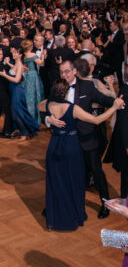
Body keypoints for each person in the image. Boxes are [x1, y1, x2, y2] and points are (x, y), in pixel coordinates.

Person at [38, 79, 124, 231]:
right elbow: (97, 120)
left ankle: (55, 215)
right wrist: (114, 108)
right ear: (66, 92)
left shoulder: (49, 104)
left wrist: (48, 119)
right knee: (73, 182)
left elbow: (39, 105)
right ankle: (71, 216)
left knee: (56, 182)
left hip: (54, 146)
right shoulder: (73, 109)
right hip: (71, 147)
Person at [46, 60, 115, 219]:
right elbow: (47, 105)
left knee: (97, 172)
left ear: (75, 71)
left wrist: (117, 103)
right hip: (67, 141)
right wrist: (48, 119)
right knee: (64, 173)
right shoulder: (57, 85)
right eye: (61, 72)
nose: (64, 75)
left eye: (67, 72)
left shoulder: (88, 86)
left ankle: (106, 204)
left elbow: (104, 100)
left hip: (87, 138)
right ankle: (57, 204)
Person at [0, 47, 40, 141]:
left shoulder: (20, 65)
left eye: (16, 52)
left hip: (17, 90)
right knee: (17, 111)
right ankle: (22, 130)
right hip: (13, 90)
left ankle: (25, 132)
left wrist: (5, 75)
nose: (13, 54)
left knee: (16, 112)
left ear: (20, 55)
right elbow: (13, 69)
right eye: (14, 52)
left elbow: (16, 80)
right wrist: (8, 63)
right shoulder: (17, 64)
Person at [22, 39, 45, 125]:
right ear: (31, 47)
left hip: (25, 76)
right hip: (33, 76)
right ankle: (33, 120)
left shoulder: (23, 55)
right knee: (35, 96)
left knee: (27, 96)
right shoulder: (32, 54)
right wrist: (43, 56)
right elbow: (41, 64)